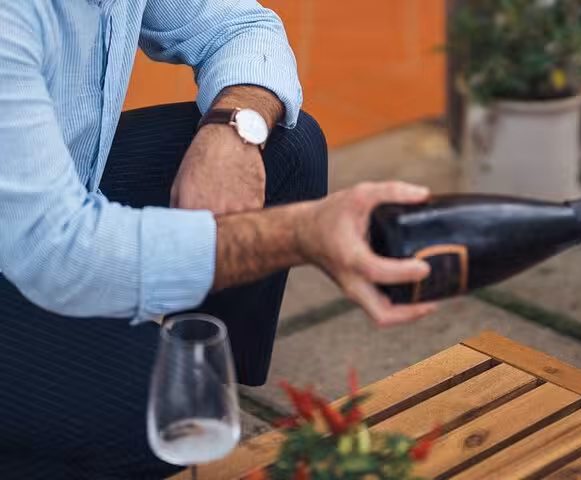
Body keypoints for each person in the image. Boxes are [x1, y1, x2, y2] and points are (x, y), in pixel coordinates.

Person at [0, 1, 436, 478]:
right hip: (39, 239)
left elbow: (242, 25)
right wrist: (299, 234)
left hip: (47, 189)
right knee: (159, 413)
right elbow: (61, 250)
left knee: (289, 149)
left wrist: (233, 128)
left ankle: (207, 384)